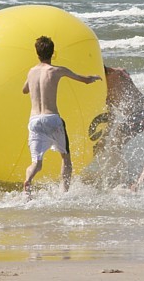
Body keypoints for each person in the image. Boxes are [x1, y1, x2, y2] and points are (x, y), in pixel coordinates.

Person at [22, 36, 101, 196]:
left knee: (36, 162)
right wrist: (93, 78)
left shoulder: (31, 72)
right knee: (65, 158)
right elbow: (83, 80)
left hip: (34, 120)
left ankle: (28, 181)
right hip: (52, 118)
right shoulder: (57, 70)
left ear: (37, 53)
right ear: (53, 53)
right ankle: (64, 192)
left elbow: (24, 90)